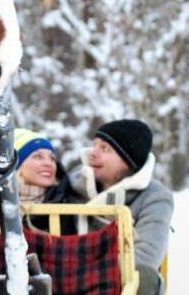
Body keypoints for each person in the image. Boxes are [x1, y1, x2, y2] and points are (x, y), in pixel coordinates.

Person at [67, 119, 174, 295]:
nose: (93, 153)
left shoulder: (155, 196)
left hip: (116, 283)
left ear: (129, 160)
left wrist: (84, 275)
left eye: (105, 149)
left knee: (143, 275)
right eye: (95, 145)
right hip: (66, 279)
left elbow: (146, 256)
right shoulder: (73, 185)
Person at [14, 128, 75, 234]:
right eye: (38, 157)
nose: (48, 163)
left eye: (52, 158)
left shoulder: (64, 202)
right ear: (15, 164)